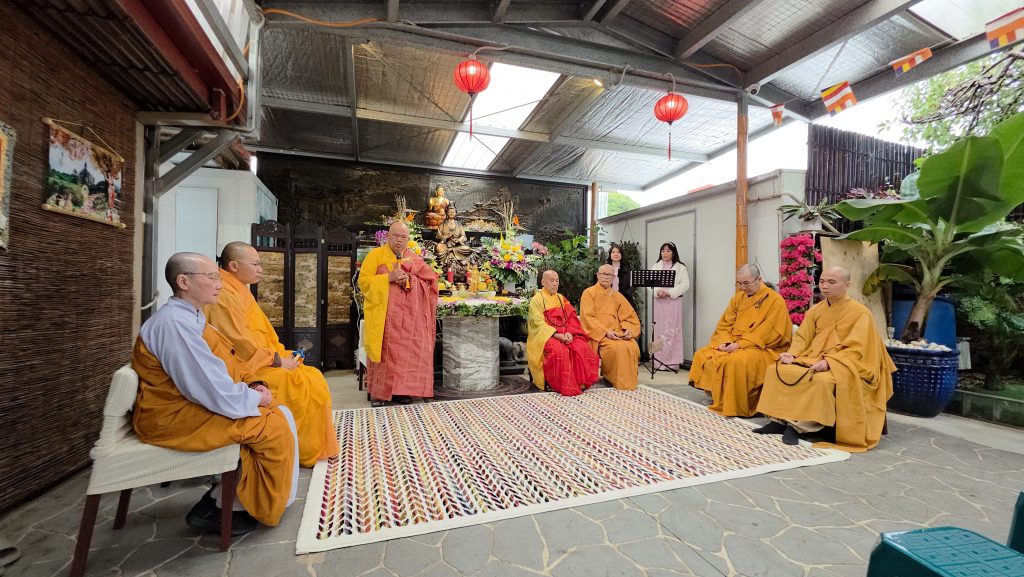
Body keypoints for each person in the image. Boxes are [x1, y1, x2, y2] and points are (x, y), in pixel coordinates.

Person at [132, 253, 298, 535]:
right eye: (211, 277)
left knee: (277, 410)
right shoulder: (174, 325)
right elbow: (207, 387)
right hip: (173, 416)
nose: (219, 284)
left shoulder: (192, 318)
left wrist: (252, 386)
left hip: (191, 404)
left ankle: (222, 499)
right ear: (183, 282)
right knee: (271, 426)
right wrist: (255, 398)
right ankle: (232, 508)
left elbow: (219, 369)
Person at [202, 242, 339, 468]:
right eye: (256, 264)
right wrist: (276, 361)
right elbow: (239, 342)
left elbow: (255, 334)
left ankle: (309, 445)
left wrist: (279, 356)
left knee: (312, 376)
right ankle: (300, 448)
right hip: (243, 367)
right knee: (299, 382)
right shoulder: (224, 294)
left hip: (258, 359)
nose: (261, 270)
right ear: (234, 266)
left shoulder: (237, 289)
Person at [754, 266, 895, 452]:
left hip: (845, 363)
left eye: (831, 282)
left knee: (821, 380)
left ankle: (799, 427)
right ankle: (778, 420)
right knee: (776, 370)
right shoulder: (816, 310)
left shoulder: (860, 313)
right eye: (822, 281)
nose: (825, 286)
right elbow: (803, 337)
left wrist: (830, 362)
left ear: (847, 285)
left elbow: (858, 348)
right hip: (813, 357)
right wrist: (792, 354)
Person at [689, 264, 791, 417]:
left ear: (759, 279)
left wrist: (740, 344)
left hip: (762, 347)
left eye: (746, 283)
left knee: (736, 361)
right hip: (734, 342)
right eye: (739, 283)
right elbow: (725, 323)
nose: (742, 287)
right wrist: (725, 341)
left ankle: (738, 405)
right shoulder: (738, 298)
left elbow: (770, 332)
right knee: (702, 354)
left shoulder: (775, 300)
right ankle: (717, 395)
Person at [359, 221, 439, 405]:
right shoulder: (375, 256)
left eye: (403, 237)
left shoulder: (414, 259)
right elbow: (363, 282)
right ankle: (380, 393)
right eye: (395, 236)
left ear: (408, 239)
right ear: (388, 236)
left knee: (406, 355)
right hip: (384, 317)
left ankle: (403, 391)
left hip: (409, 320)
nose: (399, 240)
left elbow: (431, 282)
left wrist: (410, 280)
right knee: (384, 354)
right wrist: (388, 277)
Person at [527, 269, 600, 396]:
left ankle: (578, 382)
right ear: (543, 282)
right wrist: (556, 334)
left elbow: (571, 317)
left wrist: (570, 333)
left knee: (581, 346)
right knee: (558, 350)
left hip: (565, 333)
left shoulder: (561, 299)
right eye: (551, 281)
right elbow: (537, 323)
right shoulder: (536, 300)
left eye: (557, 281)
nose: (555, 284)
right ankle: (555, 383)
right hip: (547, 335)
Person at [580, 264, 641, 390]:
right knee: (614, 348)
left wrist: (628, 330)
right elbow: (588, 317)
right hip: (599, 334)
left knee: (632, 346)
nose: (606, 277)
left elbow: (630, 316)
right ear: (598, 275)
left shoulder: (617, 295)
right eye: (603, 274)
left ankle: (628, 380)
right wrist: (606, 332)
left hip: (617, 332)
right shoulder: (589, 293)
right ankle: (613, 378)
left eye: (609, 275)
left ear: (613, 278)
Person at [650, 242, 690, 369]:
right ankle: (657, 361)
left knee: (672, 330)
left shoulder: (681, 268)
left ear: (673, 253)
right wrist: (657, 291)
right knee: (658, 330)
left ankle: (672, 363)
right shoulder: (656, 266)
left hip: (673, 303)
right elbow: (649, 283)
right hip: (659, 303)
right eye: (663, 251)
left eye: (668, 251)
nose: (665, 253)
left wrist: (670, 292)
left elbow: (685, 285)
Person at [434, 204, 475, 273]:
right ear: (446, 213)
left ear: (456, 213)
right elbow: (438, 235)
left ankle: (451, 251)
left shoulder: (459, 225)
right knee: (438, 247)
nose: (451, 213)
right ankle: (444, 262)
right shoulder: (442, 224)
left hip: (457, 246)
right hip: (445, 245)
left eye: (453, 212)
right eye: (450, 212)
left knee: (468, 249)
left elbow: (463, 236)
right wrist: (446, 237)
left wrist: (458, 240)